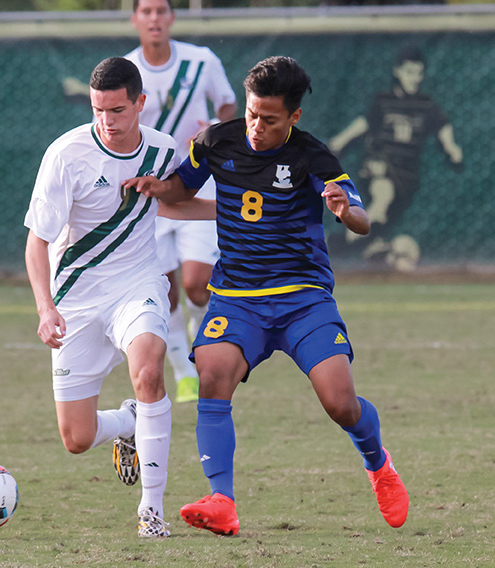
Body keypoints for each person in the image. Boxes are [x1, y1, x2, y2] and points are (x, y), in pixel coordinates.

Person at [124, 56, 409, 536]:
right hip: (237, 296)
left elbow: (360, 219)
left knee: (340, 403)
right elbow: (181, 187)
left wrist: (345, 210)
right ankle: (222, 500)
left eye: (270, 119)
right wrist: (159, 188)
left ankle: (378, 464)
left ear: (294, 116)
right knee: (211, 373)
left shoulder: (314, 157)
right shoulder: (218, 140)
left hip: (302, 296)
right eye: (253, 113)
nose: (256, 127)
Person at [24, 57, 180, 538]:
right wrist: (45, 308)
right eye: (98, 110)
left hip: (138, 283)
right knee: (77, 438)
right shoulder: (66, 155)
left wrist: (242, 215)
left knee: (150, 371)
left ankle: (151, 512)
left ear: (140, 103)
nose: (106, 121)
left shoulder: (165, 151)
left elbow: (182, 200)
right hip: (77, 298)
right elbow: (37, 242)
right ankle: (129, 422)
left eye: (116, 110)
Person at [125, 0, 238, 403]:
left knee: (196, 284)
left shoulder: (200, 61)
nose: (154, 19)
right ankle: (183, 371)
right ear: (135, 18)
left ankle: (198, 340)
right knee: (164, 291)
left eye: (161, 10)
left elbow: (227, 106)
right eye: (147, 11)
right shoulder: (127, 69)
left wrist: (218, 129)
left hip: (196, 183)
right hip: (150, 192)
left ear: (172, 17)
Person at [328, 46, 463, 271]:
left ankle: (341, 246)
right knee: (383, 196)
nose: (414, 78)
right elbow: (364, 123)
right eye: (409, 72)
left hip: (406, 175)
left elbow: (442, 127)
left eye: (419, 73)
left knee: (381, 230)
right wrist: (340, 141)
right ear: (397, 72)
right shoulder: (383, 101)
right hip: (380, 163)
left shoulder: (425, 105)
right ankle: (356, 232)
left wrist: (452, 148)